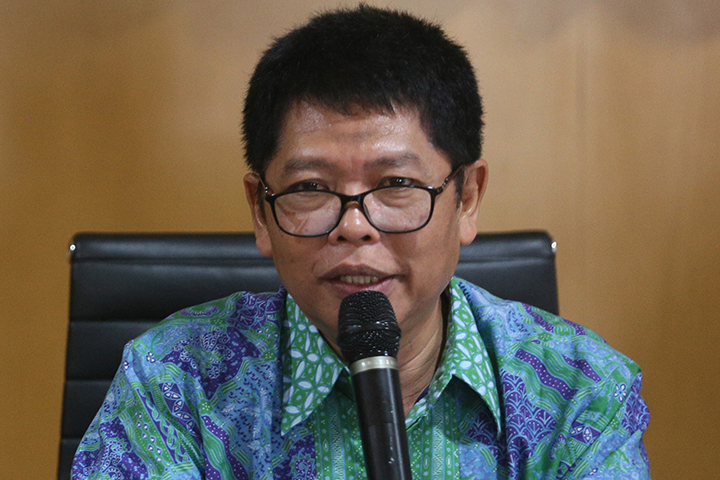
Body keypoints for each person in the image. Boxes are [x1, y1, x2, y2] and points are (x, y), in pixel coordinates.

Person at [72, 5, 651, 479]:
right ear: (260, 211)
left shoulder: (579, 392)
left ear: (468, 198)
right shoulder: (175, 383)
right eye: (310, 188)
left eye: (396, 184)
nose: (353, 226)